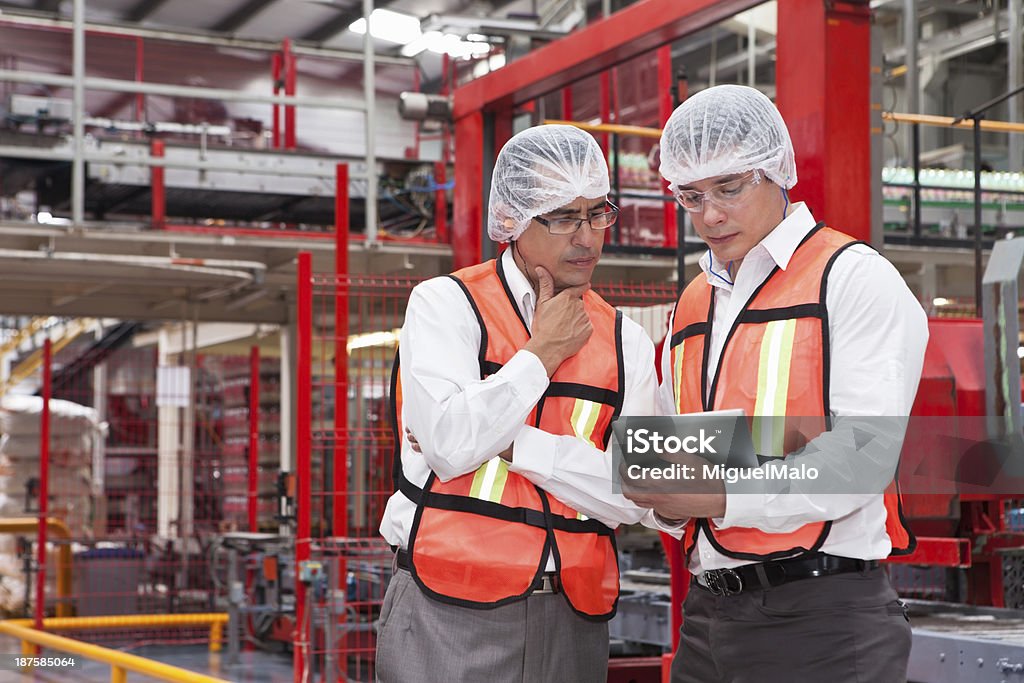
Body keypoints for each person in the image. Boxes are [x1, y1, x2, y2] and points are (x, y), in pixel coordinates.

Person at [623, 85, 929, 683]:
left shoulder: (852, 280)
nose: (708, 215)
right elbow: (671, 454)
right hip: (708, 612)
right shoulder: (694, 303)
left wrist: (717, 495)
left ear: (777, 171)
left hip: (823, 619)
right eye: (691, 196)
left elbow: (863, 455)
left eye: (729, 189)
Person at [376, 124, 680, 683]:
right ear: (512, 219)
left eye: (597, 214)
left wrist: (513, 441)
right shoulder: (448, 305)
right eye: (563, 218)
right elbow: (448, 446)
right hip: (446, 605)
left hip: (574, 613)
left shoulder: (625, 341)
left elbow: (641, 494)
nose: (587, 238)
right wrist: (541, 354)